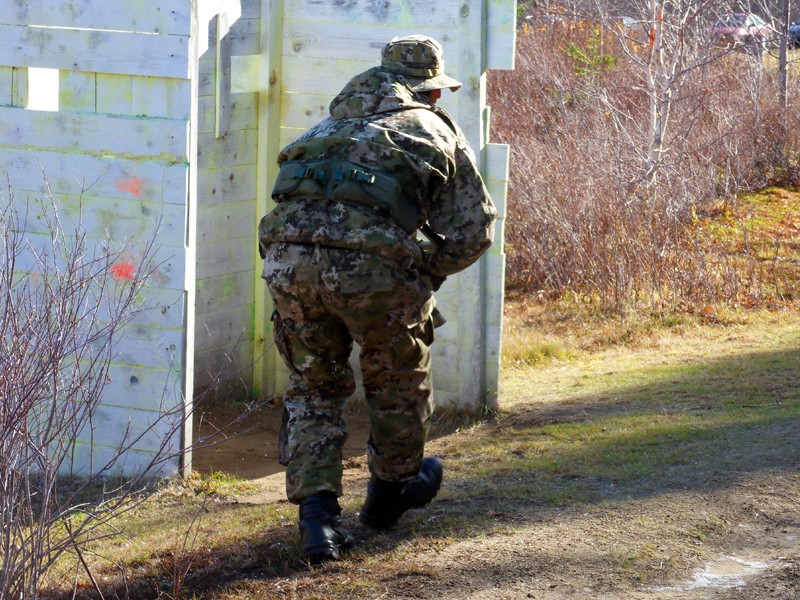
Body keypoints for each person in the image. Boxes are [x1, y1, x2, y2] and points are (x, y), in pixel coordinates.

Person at [258, 34, 497, 564]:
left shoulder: (324, 129)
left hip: (286, 262)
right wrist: (423, 273)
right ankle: (390, 497)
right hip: (372, 269)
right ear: (430, 92)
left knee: (312, 388)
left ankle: (317, 523)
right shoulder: (434, 129)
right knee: (396, 382)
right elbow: (473, 231)